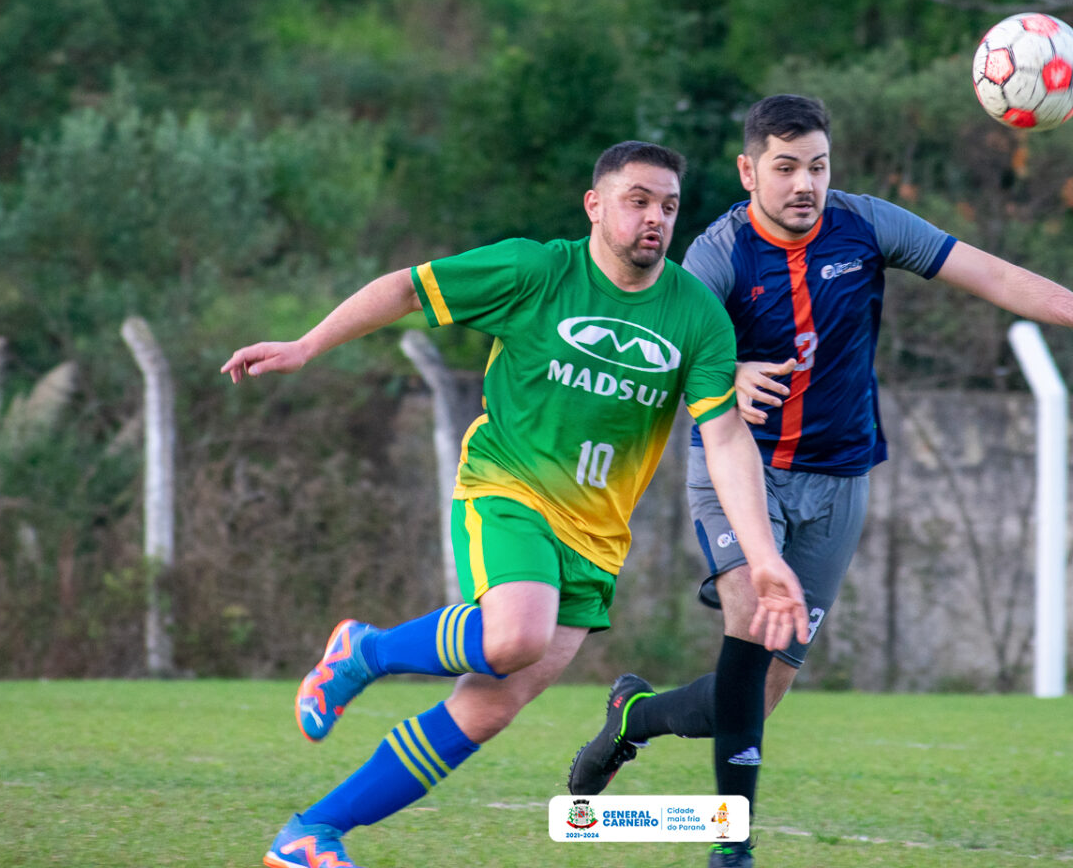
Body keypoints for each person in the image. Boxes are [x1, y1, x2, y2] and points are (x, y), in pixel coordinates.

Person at [566, 96, 1073, 866]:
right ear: (750, 171)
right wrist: (725, 371)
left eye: (817, 166)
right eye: (784, 168)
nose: (804, 184)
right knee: (751, 625)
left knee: (756, 694)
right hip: (740, 474)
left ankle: (634, 717)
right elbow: (659, 341)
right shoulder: (718, 254)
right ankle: (732, 848)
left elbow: (988, 271)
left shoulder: (866, 224)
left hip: (841, 481)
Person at [221, 140, 810, 868]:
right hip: (510, 488)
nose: (653, 218)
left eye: (667, 206)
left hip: (595, 538)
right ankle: (364, 652)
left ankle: (310, 834)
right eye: (637, 201)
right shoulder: (537, 271)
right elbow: (409, 288)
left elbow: (723, 439)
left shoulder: (696, 316)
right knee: (513, 636)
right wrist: (308, 344)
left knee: (489, 705)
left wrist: (762, 559)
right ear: (595, 206)